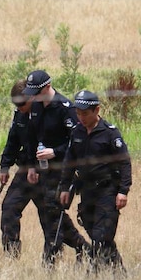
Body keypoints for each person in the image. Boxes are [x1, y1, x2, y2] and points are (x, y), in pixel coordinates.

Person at [0, 80, 85, 259]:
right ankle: (11, 257)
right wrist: (5, 166)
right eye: (17, 105)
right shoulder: (22, 115)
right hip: (28, 169)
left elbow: (75, 141)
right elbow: (13, 140)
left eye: (23, 104)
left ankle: (81, 248)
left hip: (52, 171)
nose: (20, 108)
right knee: (9, 207)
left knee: (51, 217)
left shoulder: (53, 110)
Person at [59, 90, 132, 272]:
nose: (81, 117)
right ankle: (118, 272)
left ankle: (94, 273)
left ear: (96, 110)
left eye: (85, 113)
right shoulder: (77, 132)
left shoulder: (109, 134)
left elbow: (124, 163)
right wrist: (64, 187)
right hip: (87, 192)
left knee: (102, 235)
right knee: (97, 235)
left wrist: (123, 191)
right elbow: (69, 162)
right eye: (78, 113)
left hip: (107, 191)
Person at [23, 69, 89, 267]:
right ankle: (83, 247)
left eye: (36, 91)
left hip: (63, 168)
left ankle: (50, 259)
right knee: (49, 212)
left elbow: (77, 140)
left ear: (48, 87)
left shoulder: (65, 108)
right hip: (44, 169)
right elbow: (32, 138)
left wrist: (55, 152)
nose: (32, 96)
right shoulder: (35, 107)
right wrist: (31, 166)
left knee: (52, 210)